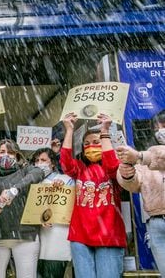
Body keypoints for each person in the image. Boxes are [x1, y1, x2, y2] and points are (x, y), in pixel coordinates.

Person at [60, 112, 126, 278]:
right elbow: (65, 163)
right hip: (80, 236)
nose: (90, 146)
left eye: (96, 142)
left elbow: (112, 165)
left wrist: (105, 131)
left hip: (109, 236)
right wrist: (69, 130)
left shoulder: (116, 169)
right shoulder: (80, 169)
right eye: (86, 144)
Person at [116, 109, 165, 276]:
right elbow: (135, 184)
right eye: (157, 127)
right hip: (156, 222)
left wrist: (139, 156)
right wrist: (126, 174)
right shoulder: (147, 153)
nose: (161, 130)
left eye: (164, 125)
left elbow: (160, 158)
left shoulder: (145, 155)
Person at [0, 139, 43, 278]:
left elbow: (38, 173)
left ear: (17, 155)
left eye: (11, 153)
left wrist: (14, 190)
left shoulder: (25, 171)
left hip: (25, 235)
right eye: (2, 152)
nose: (7, 155)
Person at [32, 147, 74, 278]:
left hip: (56, 239)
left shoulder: (66, 180)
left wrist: (62, 189)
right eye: (37, 160)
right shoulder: (30, 181)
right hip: (33, 241)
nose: (39, 163)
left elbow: (70, 207)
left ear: (53, 164)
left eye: (43, 160)